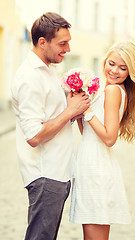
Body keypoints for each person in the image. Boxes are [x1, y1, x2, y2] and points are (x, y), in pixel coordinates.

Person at [11, 12, 90, 240]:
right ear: (42, 42)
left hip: (58, 172)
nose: (67, 50)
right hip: (46, 174)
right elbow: (34, 135)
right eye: (62, 44)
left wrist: (73, 109)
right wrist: (70, 111)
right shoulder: (30, 78)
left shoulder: (47, 72)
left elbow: (54, 117)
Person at [70, 40, 135, 240]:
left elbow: (109, 137)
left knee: (94, 235)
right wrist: (81, 109)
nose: (115, 71)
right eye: (111, 63)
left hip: (98, 166)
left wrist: (86, 111)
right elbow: (88, 132)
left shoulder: (113, 91)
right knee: (92, 233)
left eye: (123, 68)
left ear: (130, 72)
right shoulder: (106, 90)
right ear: (105, 61)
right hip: (90, 162)